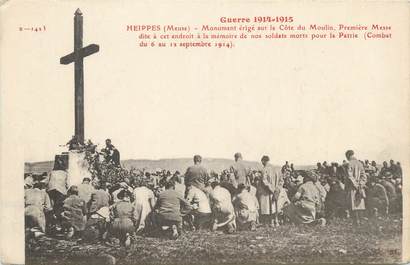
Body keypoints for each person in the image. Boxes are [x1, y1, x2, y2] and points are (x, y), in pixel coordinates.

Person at [256, 155, 287, 227]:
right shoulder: (277, 169)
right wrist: (278, 189)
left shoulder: (264, 169)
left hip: (268, 191)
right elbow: (281, 181)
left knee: (269, 207)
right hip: (276, 191)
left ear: (263, 161)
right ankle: (276, 221)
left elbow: (264, 181)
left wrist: (271, 189)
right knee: (275, 206)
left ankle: (271, 222)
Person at [344, 150, 367, 226]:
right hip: (360, 187)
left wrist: (356, 185)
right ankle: (361, 222)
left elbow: (349, 176)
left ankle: (356, 223)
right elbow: (364, 176)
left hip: (352, 187)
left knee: (353, 205)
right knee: (359, 205)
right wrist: (361, 185)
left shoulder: (349, 164)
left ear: (348, 155)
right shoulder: (360, 163)